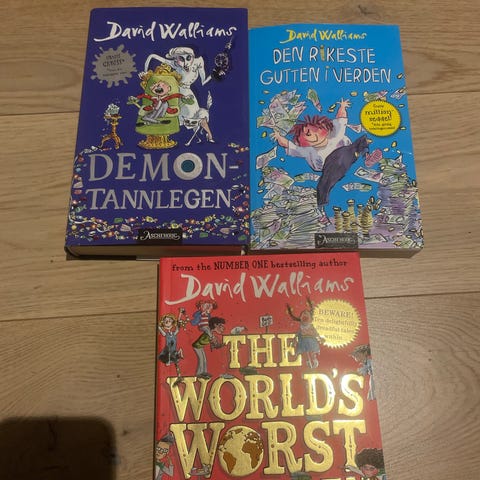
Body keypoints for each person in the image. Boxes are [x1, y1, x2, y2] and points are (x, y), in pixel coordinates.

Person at [144, 47, 215, 142]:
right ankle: (161, 135)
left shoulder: (198, 62)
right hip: (176, 91)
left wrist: (214, 75)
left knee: (196, 114)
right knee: (175, 113)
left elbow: (203, 81)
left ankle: (209, 135)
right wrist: (145, 72)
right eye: (181, 59)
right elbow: (152, 56)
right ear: (176, 59)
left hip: (188, 93)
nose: (186, 63)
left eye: (188, 58)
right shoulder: (174, 64)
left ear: (192, 56)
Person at [272, 98, 352, 172]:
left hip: (346, 154)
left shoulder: (335, 134)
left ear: (324, 130)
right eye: (307, 134)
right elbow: (288, 145)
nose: (313, 134)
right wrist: (278, 136)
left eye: (315, 130)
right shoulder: (309, 151)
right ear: (303, 142)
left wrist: (342, 106)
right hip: (328, 168)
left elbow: (340, 119)